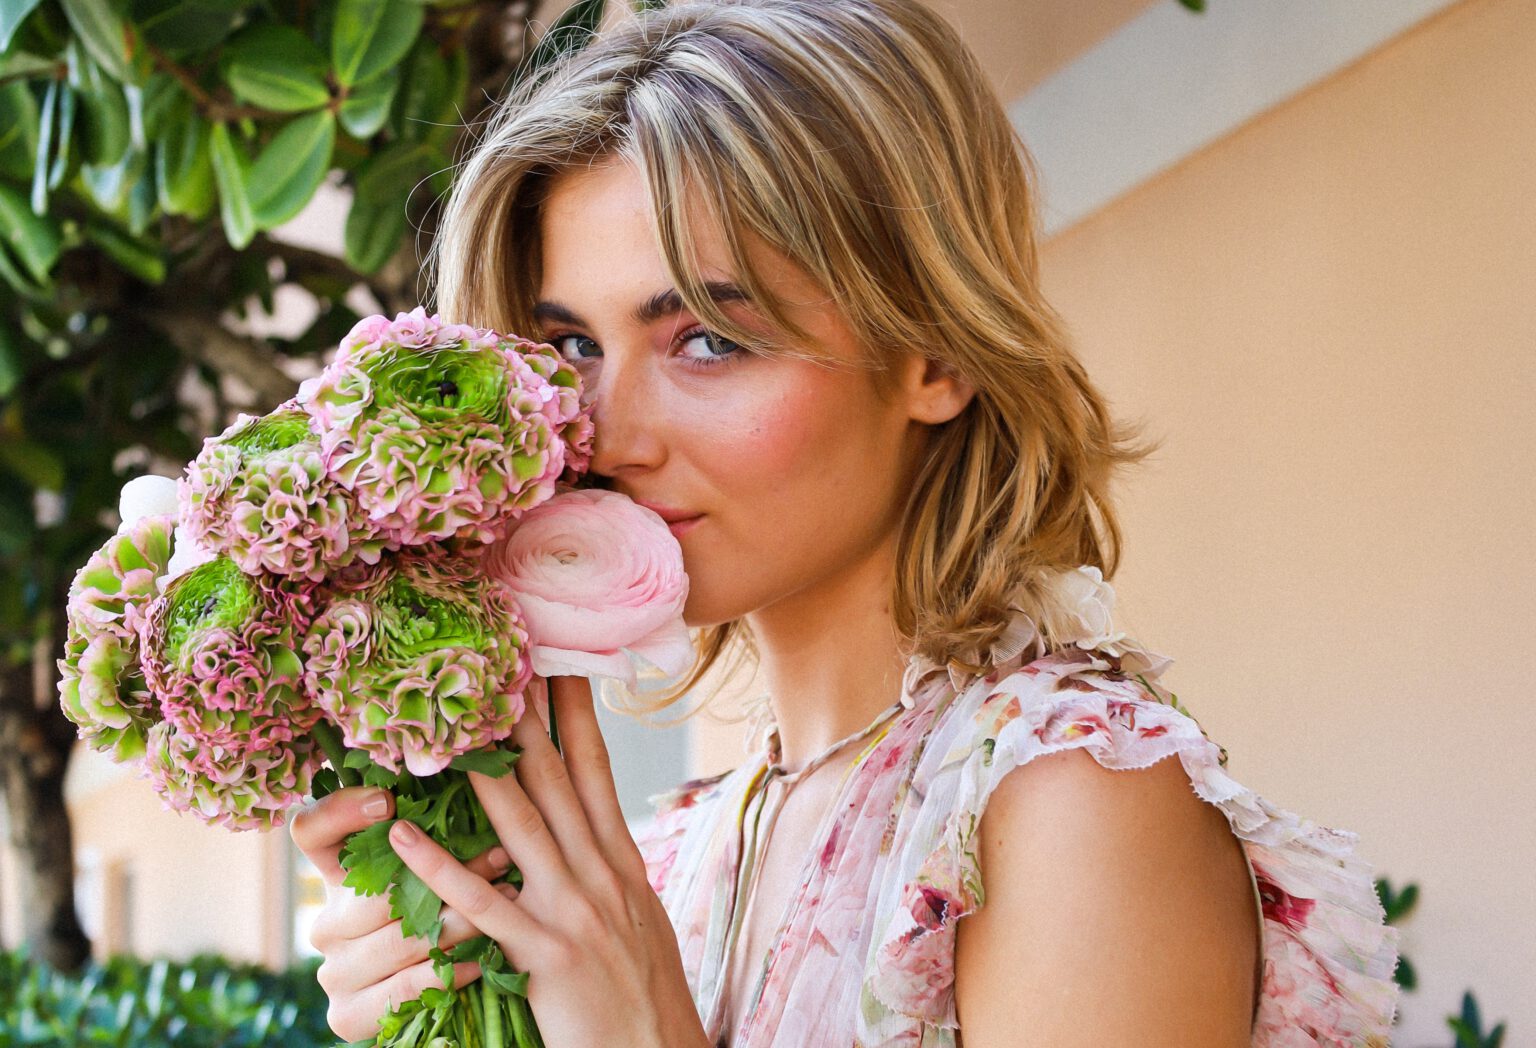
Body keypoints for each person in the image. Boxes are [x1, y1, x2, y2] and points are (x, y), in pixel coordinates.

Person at [290, 1, 1402, 1045]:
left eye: (707, 341)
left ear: (936, 352)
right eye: (573, 347)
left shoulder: (1067, 809)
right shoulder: (681, 850)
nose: (607, 431)